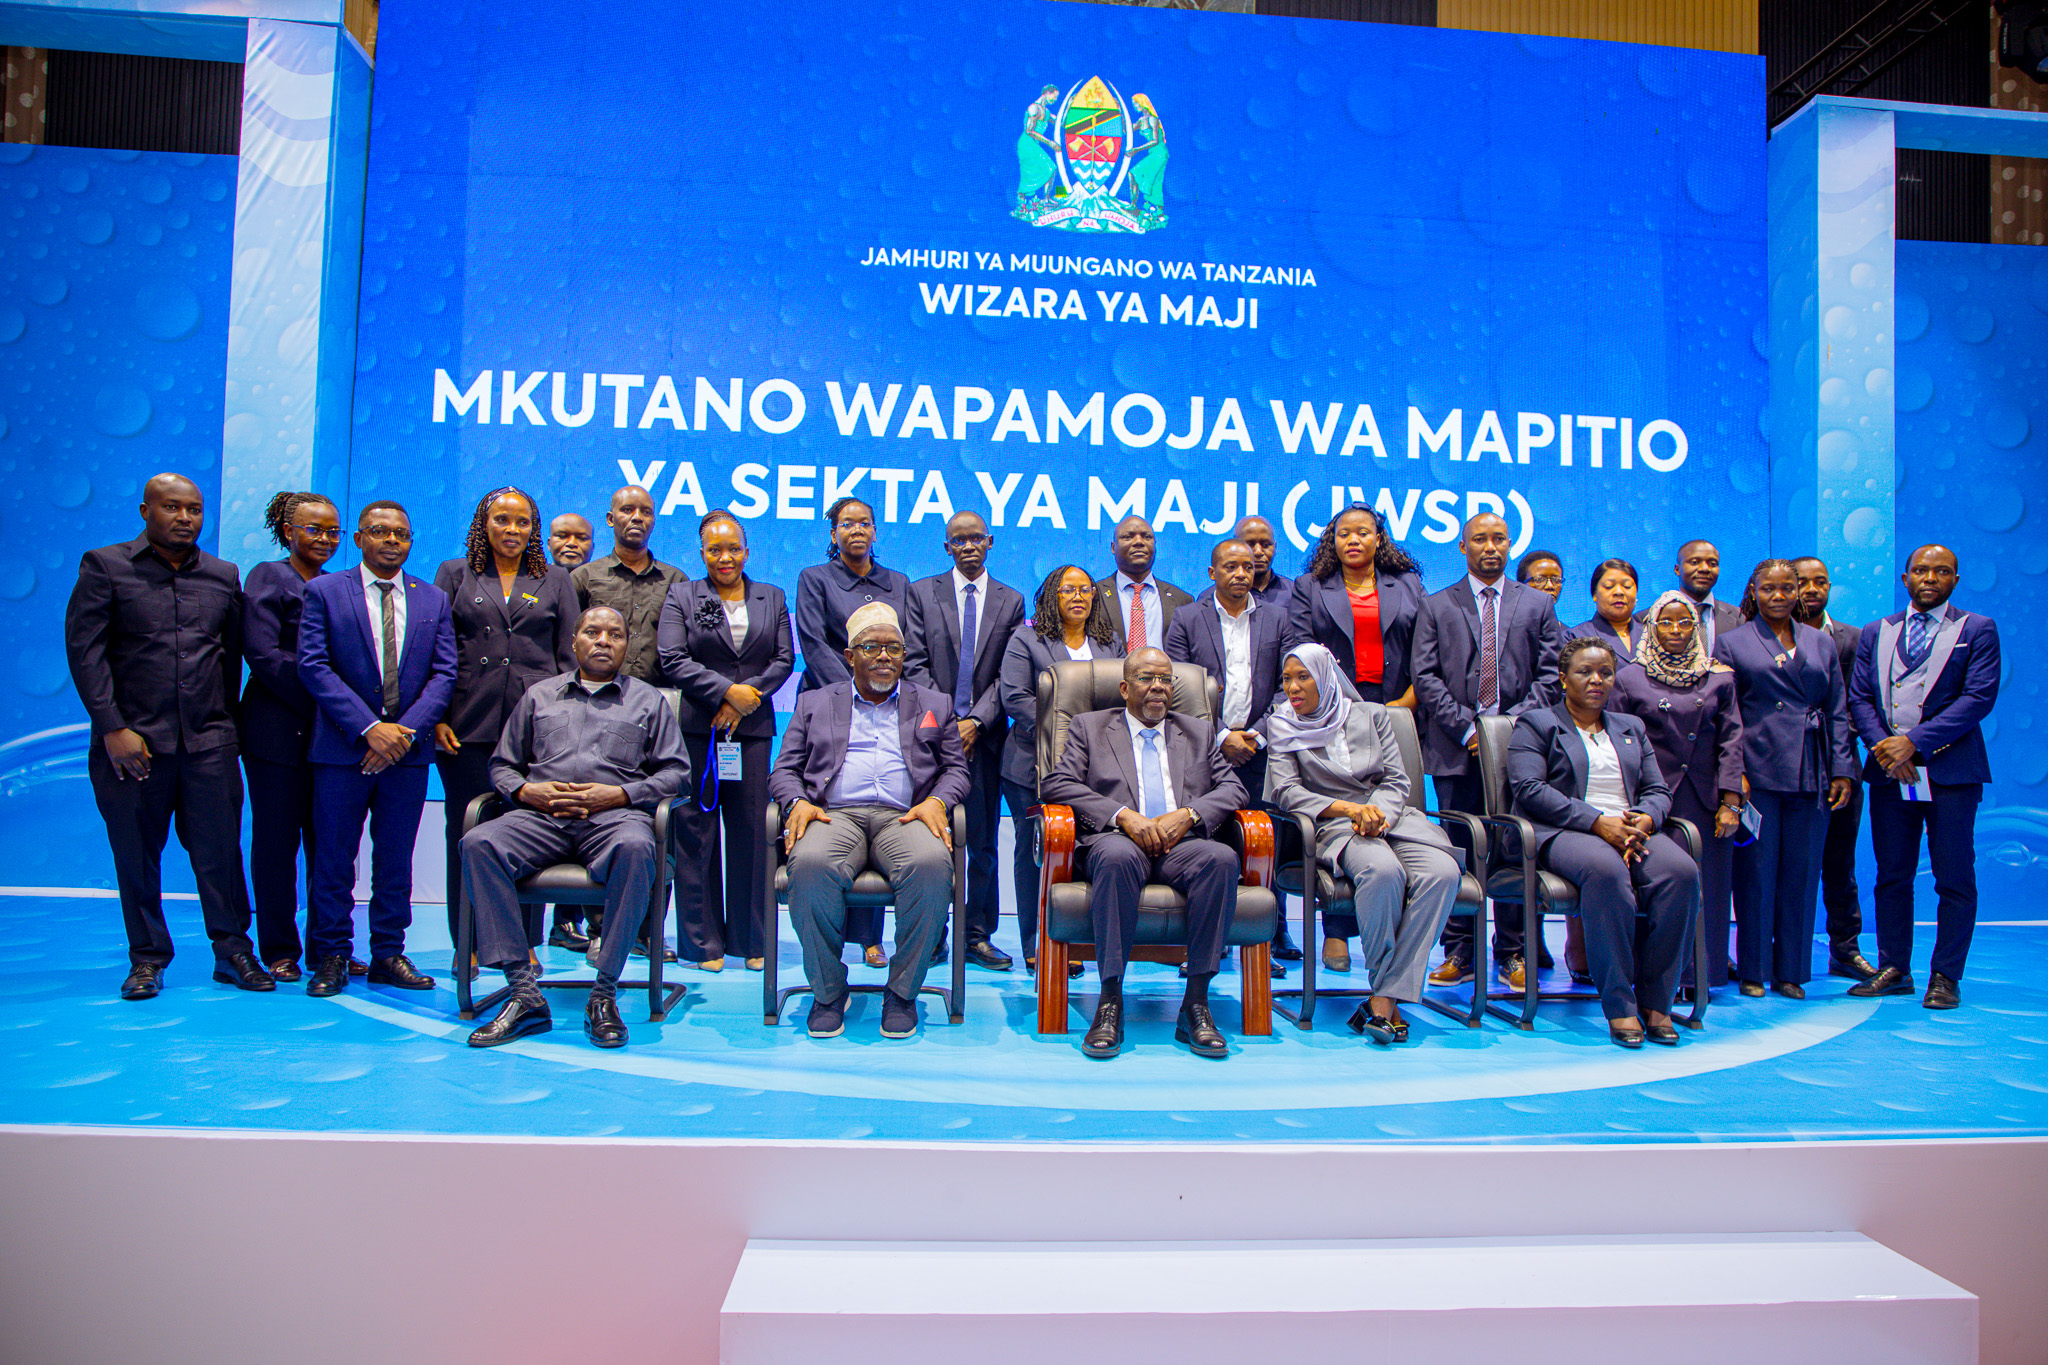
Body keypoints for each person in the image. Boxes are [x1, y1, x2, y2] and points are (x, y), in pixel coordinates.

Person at [65, 473, 265, 1000]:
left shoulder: (223, 575)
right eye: (172, 508)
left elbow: (229, 660)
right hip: (133, 745)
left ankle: (234, 952)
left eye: (194, 510)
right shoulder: (105, 567)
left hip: (209, 743)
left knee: (221, 853)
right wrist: (112, 728)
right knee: (135, 853)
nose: (184, 518)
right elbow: (86, 655)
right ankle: (148, 959)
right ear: (145, 511)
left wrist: (226, 728)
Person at [463, 607, 692, 1050]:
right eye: (593, 632)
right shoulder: (539, 696)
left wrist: (621, 796)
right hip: (540, 819)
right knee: (478, 841)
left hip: (613, 820)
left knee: (637, 847)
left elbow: (677, 774)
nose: (603, 641)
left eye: (615, 634)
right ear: (574, 641)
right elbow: (503, 766)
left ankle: (603, 994)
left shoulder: (649, 701)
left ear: (627, 645)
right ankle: (524, 993)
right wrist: (528, 793)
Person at [1039, 648, 1250, 1060]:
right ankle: (1110, 1001)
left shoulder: (1198, 732)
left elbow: (1233, 789)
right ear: (1124, 687)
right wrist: (1122, 816)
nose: (1158, 687)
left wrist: (1189, 815)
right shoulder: (1090, 726)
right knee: (1116, 857)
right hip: (1118, 840)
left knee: (1221, 859)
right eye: (1146, 678)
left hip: (1181, 846)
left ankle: (1196, 1005)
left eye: (1166, 679)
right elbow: (1056, 783)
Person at [769, 603, 966, 1040]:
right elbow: (783, 770)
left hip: (906, 814)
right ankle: (827, 992)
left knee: (933, 866)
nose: (884, 656)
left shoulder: (935, 703)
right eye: (872, 647)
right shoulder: (813, 703)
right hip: (833, 813)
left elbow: (956, 770)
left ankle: (901, 992)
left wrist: (938, 800)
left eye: (893, 648)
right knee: (812, 865)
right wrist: (795, 801)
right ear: (849, 655)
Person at [1506, 637, 1701, 1047]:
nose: (1597, 680)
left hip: (1631, 829)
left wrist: (1646, 818)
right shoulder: (1538, 723)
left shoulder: (1631, 727)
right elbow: (1529, 789)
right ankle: (1620, 1005)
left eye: (1605, 673)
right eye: (1585, 672)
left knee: (1682, 873)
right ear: (1563, 678)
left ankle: (1657, 1001)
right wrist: (1597, 823)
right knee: (1606, 871)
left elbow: (1658, 790)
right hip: (1566, 830)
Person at [296, 501, 457, 996]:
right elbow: (313, 665)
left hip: (406, 755)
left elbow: (444, 673)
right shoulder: (324, 591)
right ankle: (332, 955)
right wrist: (369, 729)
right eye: (380, 532)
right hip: (345, 750)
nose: (391, 541)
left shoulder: (432, 599)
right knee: (334, 858)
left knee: (395, 859)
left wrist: (402, 733)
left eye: (401, 534)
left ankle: (389, 952)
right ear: (360, 538)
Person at [1263, 644, 1461, 1043]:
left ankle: (1383, 998)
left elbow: (1397, 779)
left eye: (1303, 677)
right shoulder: (1282, 724)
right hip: (1334, 826)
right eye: (1287, 679)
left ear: (1327, 678)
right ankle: (1389, 1001)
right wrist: (1349, 810)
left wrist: (1377, 813)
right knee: (1382, 870)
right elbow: (1286, 792)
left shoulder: (1371, 715)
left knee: (1443, 873)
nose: (1293, 687)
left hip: (1392, 818)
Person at [1846, 545, 2001, 1009]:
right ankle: (1894, 968)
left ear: (1955, 579)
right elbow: (1860, 699)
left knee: (1954, 877)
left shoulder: (1976, 630)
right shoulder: (1878, 632)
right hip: (1893, 773)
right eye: (1921, 570)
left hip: (1951, 772)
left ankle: (1945, 976)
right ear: (1905, 577)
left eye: (1942, 571)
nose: (1930, 578)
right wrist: (1886, 748)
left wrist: (1915, 742)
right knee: (1892, 874)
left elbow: (1978, 698)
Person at [1413, 511, 1563, 989]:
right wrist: (1470, 729)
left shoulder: (1537, 604)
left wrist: (1509, 730)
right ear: (1462, 547)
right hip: (1456, 750)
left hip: (1518, 751)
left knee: (1511, 849)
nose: (1490, 547)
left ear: (1511, 543)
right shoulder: (1437, 604)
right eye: (1480, 539)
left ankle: (1513, 952)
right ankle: (1458, 950)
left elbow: (1550, 673)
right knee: (1458, 851)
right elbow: (1426, 676)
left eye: (1499, 538)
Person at [432, 488, 580, 973]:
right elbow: (439, 652)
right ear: (484, 523)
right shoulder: (455, 574)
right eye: (502, 520)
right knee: (468, 834)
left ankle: (526, 943)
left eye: (522, 522)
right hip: (466, 726)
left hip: (536, 732)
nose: (512, 530)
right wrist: (437, 714)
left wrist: (566, 727)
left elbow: (567, 657)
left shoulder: (555, 578)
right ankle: (468, 944)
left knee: (533, 837)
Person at [1281, 504, 1426, 974]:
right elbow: (1302, 648)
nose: (1354, 541)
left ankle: (1392, 951)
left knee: (1383, 798)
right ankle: (1337, 932)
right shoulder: (1310, 588)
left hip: (1393, 705)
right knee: (1339, 804)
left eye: (1364, 533)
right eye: (1344, 534)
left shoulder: (1404, 585)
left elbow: (1425, 649)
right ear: (1333, 540)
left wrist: (1404, 702)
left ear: (1379, 538)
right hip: (1328, 705)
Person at [656, 510, 795, 973]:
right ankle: (703, 945)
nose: (725, 557)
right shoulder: (682, 596)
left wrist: (743, 700)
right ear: (702, 553)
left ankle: (752, 940)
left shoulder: (770, 596)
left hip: (750, 731)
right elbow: (671, 658)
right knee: (695, 833)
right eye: (715, 549)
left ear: (747, 551)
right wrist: (723, 692)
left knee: (754, 833)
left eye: (733, 548)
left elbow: (782, 659)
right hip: (698, 728)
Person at [1714, 560, 1855, 999]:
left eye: (1787, 588)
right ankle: (1754, 970)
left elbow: (1837, 709)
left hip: (1811, 770)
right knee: (1755, 874)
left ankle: (1791, 971)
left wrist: (1842, 769)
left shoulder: (1820, 642)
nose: (1779, 596)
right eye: (1769, 588)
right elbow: (1726, 715)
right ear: (1754, 591)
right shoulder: (1731, 642)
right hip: (1758, 769)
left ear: (1798, 592)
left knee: (1802, 872)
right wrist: (1734, 777)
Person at [240, 490, 353, 982]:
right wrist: (330, 698)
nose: (324, 539)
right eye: (313, 529)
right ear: (289, 531)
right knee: (276, 843)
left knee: (329, 847)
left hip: (327, 741)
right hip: (278, 733)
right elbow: (263, 655)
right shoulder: (268, 576)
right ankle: (280, 948)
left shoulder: (335, 586)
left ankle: (328, 949)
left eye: (333, 531)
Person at [905, 511, 1026, 971]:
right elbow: (913, 663)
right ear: (946, 547)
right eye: (959, 540)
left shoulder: (1009, 600)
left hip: (986, 740)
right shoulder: (922, 593)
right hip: (930, 737)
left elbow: (1006, 675)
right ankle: (931, 934)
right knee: (931, 839)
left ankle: (977, 935)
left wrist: (975, 722)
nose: (969, 546)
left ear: (991, 542)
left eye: (976, 538)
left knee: (982, 841)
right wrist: (948, 723)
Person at [1164, 538, 1289, 975]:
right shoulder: (1186, 618)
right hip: (1205, 749)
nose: (1240, 574)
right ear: (1212, 572)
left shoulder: (1277, 617)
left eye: (1248, 567)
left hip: (1262, 749)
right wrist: (1220, 737)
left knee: (1262, 845)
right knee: (1211, 845)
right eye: (1230, 567)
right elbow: (1176, 685)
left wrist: (1255, 734)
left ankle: (1262, 944)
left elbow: (1288, 687)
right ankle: (1207, 943)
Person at [794, 496, 910, 964]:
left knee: (880, 799)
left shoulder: (897, 583)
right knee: (838, 812)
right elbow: (813, 641)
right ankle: (830, 938)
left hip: (887, 702)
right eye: (846, 523)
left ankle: (870, 937)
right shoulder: (814, 579)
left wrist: (881, 687)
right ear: (833, 533)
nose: (856, 530)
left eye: (864, 522)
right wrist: (852, 690)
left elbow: (906, 644)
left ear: (876, 531)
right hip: (829, 703)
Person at [1610, 592, 1745, 990]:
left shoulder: (1719, 676)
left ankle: (1702, 977)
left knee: (1711, 890)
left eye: (1684, 622)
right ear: (1650, 627)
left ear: (1697, 627)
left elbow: (1732, 740)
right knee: (1657, 889)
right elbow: (1619, 740)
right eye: (1665, 623)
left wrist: (1731, 801)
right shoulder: (1629, 676)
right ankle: (1657, 979)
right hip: (1650, 800)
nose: (1675, 630)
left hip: (1705, 799)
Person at [998, 565, 1124, 975]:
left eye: (1086, 589)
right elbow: (1015, 697)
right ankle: (1035, 944)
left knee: (1081, 853)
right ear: (1052, 595)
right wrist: (1065, 735)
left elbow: (1122, 701)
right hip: (1031, 766)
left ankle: (1074, 942)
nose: (1078, 596)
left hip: (1095, 772)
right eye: (1068, 589)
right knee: (1034, 853)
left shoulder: (1109, 643)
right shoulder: (1027, 639)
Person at [1793, 555, 1878, 982]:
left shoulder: (1854, 638)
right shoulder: (1762, 637)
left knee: (1839, 864)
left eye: (1820, 582)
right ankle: (1778, 950)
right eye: (1802, 582)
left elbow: (1858, 705)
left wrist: (1844, 764)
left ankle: (1845, 949)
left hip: (1839, 766)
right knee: (1783, 866)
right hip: (1784, 770)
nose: (1811, 590)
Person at [571, 485, 686, 685]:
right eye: (627, 510)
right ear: (610, 519)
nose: (637, 517)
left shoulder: (676, 581)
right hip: (594, 694)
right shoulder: (584, 577)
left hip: (657, 698)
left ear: (653, 522)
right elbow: (567, 643)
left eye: (646, 512)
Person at [1096, 514, 1192, 652]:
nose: (1139, 542)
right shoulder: (1094, 595)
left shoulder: (1182, 599)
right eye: (1128, 537)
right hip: (1111, 673)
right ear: (1113, 547)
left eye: (1147, 537)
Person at [1638, 540, 1742, 655]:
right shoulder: (1647, 619)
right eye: (1694, 562)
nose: (1704, 569)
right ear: (1677, 569)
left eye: (1712, 564)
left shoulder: (1739, 618)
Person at [1575, 558, 1641, 663]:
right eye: (1609, 586)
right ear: (1594, 594)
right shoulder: (1575, 637)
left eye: (1627, 586)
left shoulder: (1651, 636)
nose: (1619, 592)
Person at [1233, 515, 1292, 607]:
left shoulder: (1294, 593)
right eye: (1250, 545)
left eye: (1265, 545)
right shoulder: (1216, 597)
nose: (1258, 552)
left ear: (1275, 547)